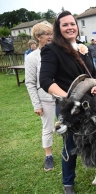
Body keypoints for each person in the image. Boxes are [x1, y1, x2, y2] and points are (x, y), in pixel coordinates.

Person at [40, 11, 96, 194]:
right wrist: (67, 97)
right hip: (69, 107)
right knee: (71, 143)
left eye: (72, 24)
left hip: (90, 103)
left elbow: (93, 73)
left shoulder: (84, 48)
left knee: (95, 135)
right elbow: (45, 80)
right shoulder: (51, 49)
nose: (70, 27)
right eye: (64, 25)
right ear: (58, 28)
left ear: (77, 26)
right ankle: (68, 183)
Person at [25, 22, 56, 172]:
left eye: (52, 34)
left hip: (63, 97)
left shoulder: (58, 52)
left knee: (69, 125)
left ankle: (71, 151)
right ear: (38, 37)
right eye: (48, 34)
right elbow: (30, 83)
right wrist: (36, 104)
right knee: (48, 128)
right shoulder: (32, 58)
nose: (51, 37)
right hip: (45, 99)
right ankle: (48, 156)